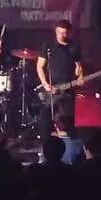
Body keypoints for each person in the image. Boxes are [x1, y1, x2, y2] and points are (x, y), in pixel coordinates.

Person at [36, 19, 83, 150]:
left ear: (69, 33)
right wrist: (46, 84)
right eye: (59, 32)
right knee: (45, 119)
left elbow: (78, 67)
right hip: (52, 88)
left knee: (68, 119)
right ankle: (45, 148)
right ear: (55, 31)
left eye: (64, 33)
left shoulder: (74, 46)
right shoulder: (48, 45)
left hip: (68, 89)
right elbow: (40, 66)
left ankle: (69, 149)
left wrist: (80, 76)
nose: (62, 35)